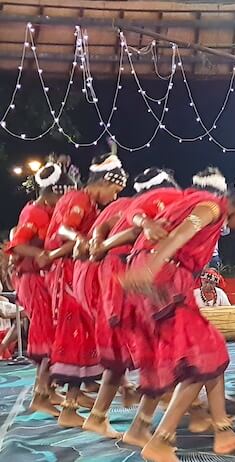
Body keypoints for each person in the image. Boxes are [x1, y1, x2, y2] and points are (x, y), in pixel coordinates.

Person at [120, 165, 235, 462]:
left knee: (209, 351)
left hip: (158, 272)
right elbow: (182, 232)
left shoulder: (199, 201)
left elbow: (146, 223)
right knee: (205, 355)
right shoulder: (211, 207)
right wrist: (153, 266)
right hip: (162, 276)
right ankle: (161, 440)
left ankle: (221, 430)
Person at [82, 167, 181, 439]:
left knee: (119, 356)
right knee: (156, 350)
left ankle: (98, 416)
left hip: (114, 273)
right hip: (127, 274)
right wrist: (102, 246)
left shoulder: (126, 203)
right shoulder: (162, 203)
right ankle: (141, 426)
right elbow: (137, 229)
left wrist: (98, 243)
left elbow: (109, 225)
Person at [44, 151, 127, 428]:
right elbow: (65, 231)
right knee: (76, 336)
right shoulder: (79, 199)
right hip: (67, 272)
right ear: (103, 182)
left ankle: (73, 402)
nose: (113, 198)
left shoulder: (88, 202)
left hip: (74, 269)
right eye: (114, 191)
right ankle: (68, 407)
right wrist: (80, 238)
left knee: (82, 336)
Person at [6, 162, 76, 415]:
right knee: (49, 337)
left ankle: (50, 389)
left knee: (55, 334)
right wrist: (43, 254)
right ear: (56, 191)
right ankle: (40, 395)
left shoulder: (46, 212)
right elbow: (17, 245)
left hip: (42, 278)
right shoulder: (34, 213)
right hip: (32, 280)